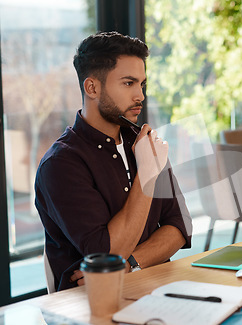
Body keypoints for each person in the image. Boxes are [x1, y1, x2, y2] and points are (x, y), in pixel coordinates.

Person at [35, 31, 192, 291]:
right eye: (128, 83)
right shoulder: (61, 164)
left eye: (142, 84)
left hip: (152, 287)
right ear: (92, 87)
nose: (140, 95)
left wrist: (131, 263)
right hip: (87, 303)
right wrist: (147, 174)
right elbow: (108, 253)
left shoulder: (144, 143)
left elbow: (179, 226)